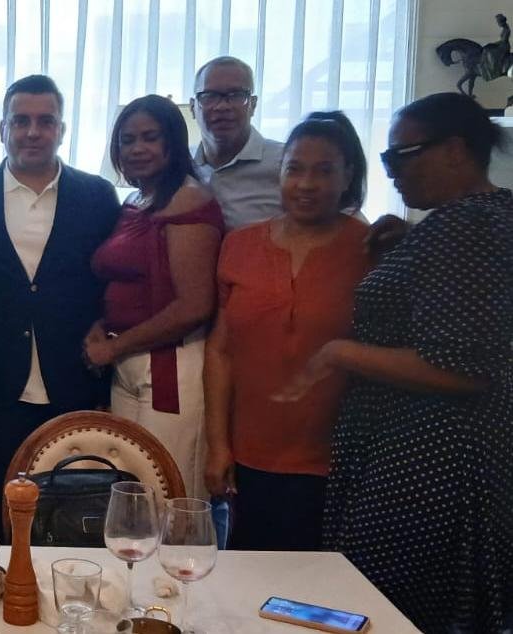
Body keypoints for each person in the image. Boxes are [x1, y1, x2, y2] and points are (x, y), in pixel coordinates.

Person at [279, 93, 512, 632]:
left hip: (429, 468)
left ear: (454, 150)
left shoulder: (468, 226)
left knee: (386, 610)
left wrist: (340, 352)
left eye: (399, 156)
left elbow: (465, 368)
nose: (391, 171)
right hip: (431, 457)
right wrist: (412, 245)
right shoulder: (475, 218)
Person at [0, 75, 121, 538]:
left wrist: (104, 327)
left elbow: (111, 278)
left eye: (45, 121)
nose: (33, 131)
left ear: (62, 130)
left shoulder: (97, 196)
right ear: (2, 129)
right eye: (21, 121)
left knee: (70, 512)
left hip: (74, 376)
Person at [204, 112, 370, 551]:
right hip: (250, 451)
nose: (306, 184)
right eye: (295, 169)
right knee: (250, 571)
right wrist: (218, 445)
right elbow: (220, 350)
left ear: (348, 175)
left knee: (322, 577)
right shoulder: (239, 245)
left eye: (324, 171)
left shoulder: (372, 249)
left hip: (337, 456)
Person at [88, 95, 223, 499]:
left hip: (170, 366)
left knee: (167, 494)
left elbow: (195, 305)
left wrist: (113, 348)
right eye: (128, 140)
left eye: (150, 137)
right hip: (128, 362)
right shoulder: (136, 200)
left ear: (173, 142)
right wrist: (102, 327)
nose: (137, 149)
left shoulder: (187, 198)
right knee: (129, 494)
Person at [190, 56, 285, 231]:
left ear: (253, 105)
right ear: (192, 107)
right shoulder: (180, 164)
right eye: (209, 96)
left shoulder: (286, 163)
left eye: (236, 96)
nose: (222, 107)